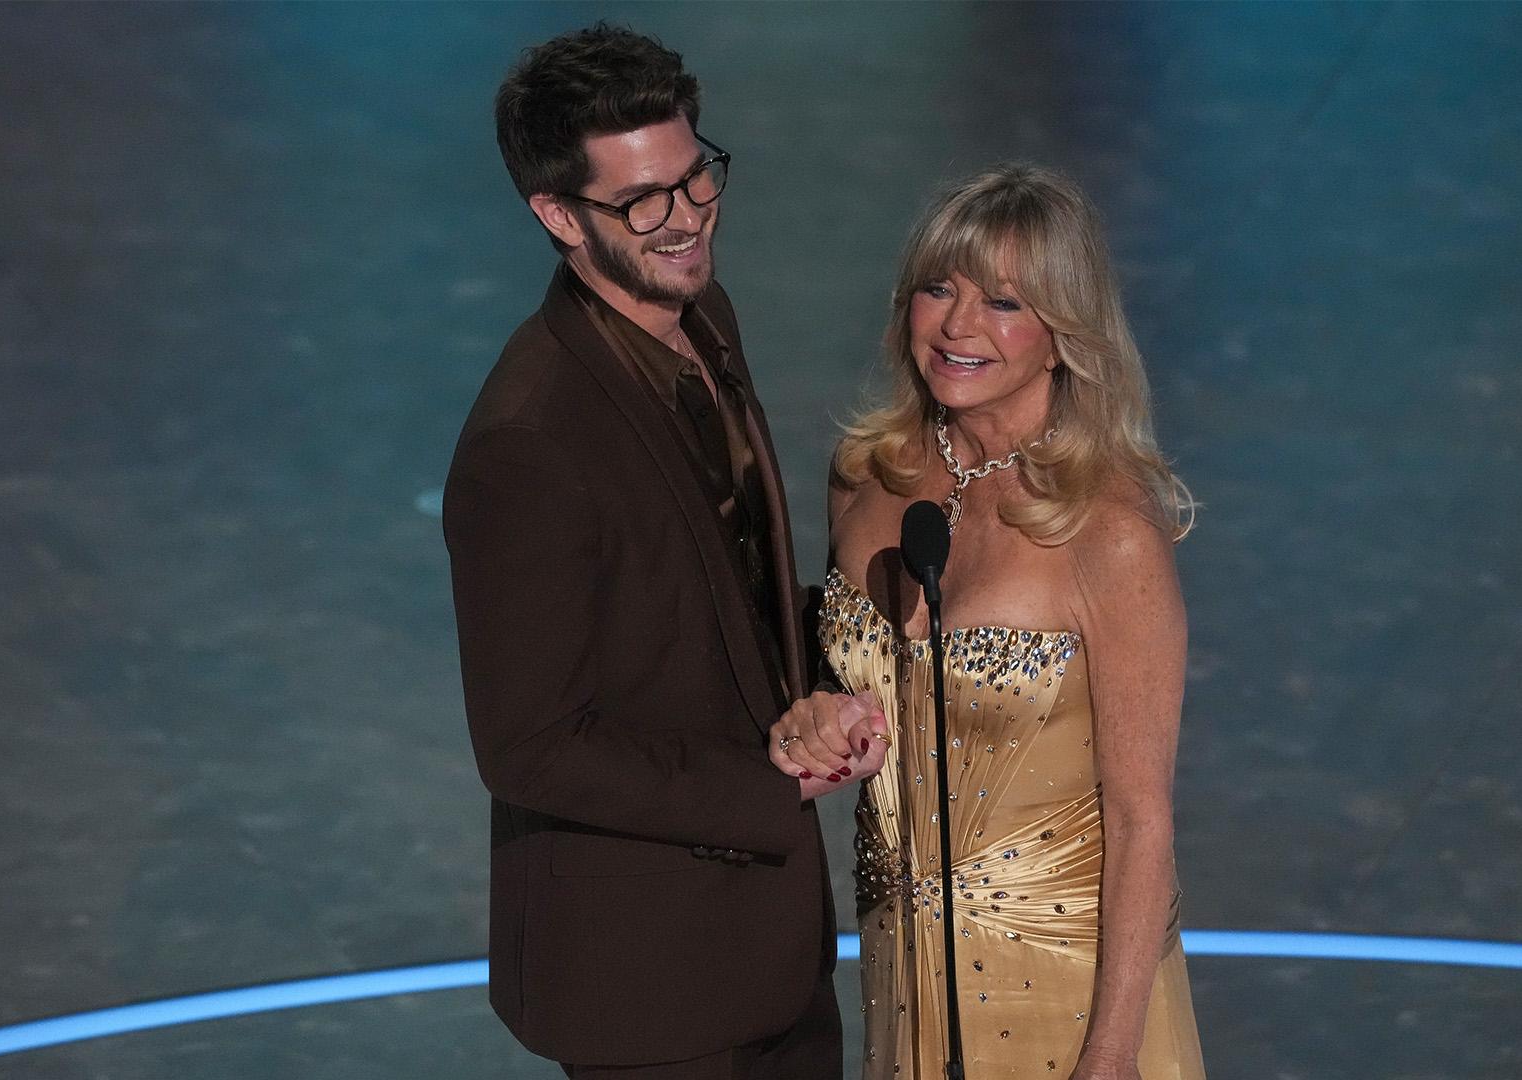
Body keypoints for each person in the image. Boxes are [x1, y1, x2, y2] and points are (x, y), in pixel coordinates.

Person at [444, 24, 885, 1080]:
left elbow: (720, 583)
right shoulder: (529, 444)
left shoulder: (699, 312)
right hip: (651, 994)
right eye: (644, 202)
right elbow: (531, 747)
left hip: (773, 956)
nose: (686, 221)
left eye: (695, 179)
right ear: (557, 215)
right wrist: (771, 783)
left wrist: (839, 664)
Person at [769, 165, 1207, 1080]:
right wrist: (818, 714)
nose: (959, 326)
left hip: (1067, 994)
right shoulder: (864, 477)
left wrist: (1114, 1054)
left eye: (1004, 302)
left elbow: (1140, 818)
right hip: (904, 982)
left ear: (1063, 338)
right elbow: (859, 692)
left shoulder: (1109, 531)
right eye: (940, 288)